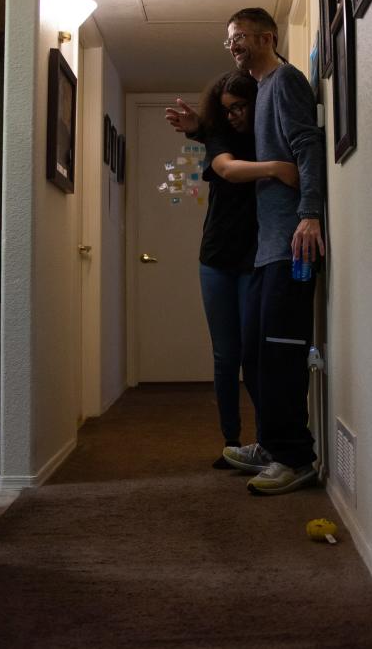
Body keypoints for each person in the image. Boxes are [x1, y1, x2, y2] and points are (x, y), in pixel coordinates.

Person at [164, 71, 299, 468]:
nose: (234, 115)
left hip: (254, 259)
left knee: (254, 355)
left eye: (240, 106)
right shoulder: (221, 137)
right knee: (226, 356)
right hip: (216, 259)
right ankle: (231, 441)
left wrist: (199, 130)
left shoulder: (268, 134)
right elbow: (226, 168)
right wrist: (275, 168)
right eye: (226, 110)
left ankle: (266, 441)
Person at [219, 8, 327, 496]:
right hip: (267, 252)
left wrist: (310, 213)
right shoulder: (259, 90)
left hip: (292, 246)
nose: (234, 46)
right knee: (254, 356)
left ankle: (295, 456)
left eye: (240, 37)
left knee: (282, 354)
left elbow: (308, 144)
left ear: (268, 37)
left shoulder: (284, 80)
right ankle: (269, 441)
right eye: (230, 40)